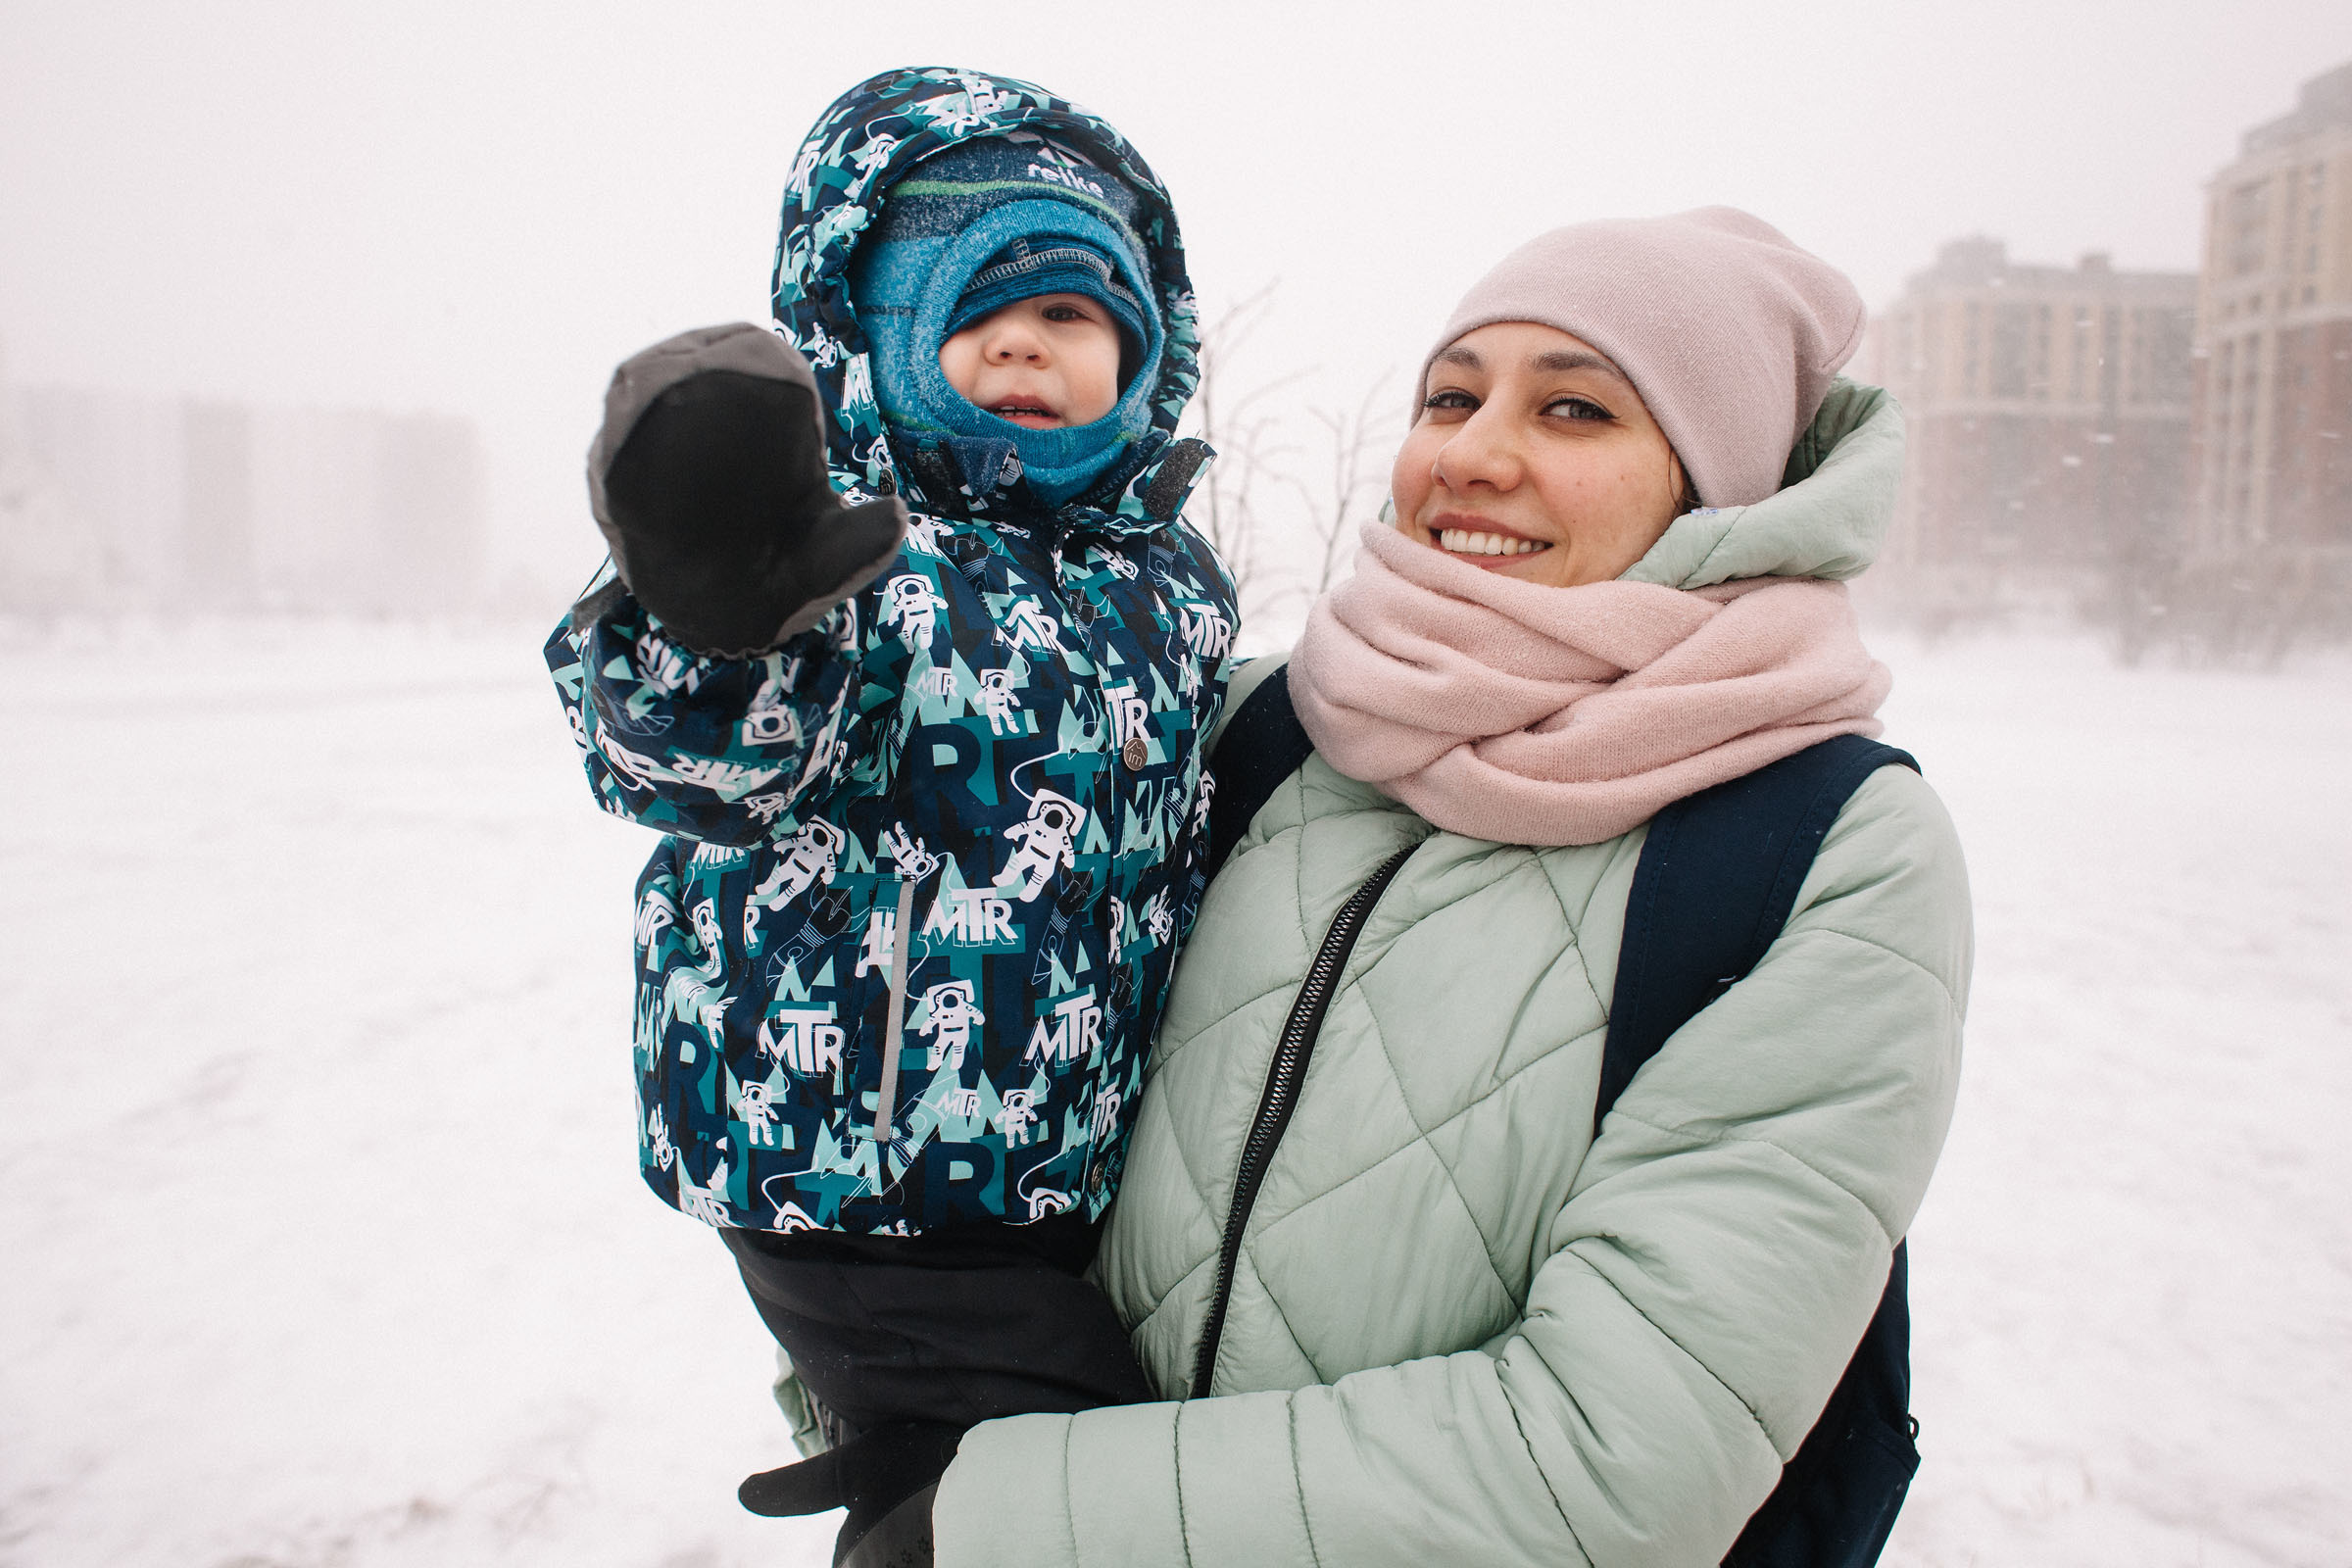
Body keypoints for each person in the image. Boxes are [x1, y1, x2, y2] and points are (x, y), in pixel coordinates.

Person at [919, 209, 1973, 1566]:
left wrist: (996, 1515)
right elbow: (951, 1053)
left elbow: (1611, 1462)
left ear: (1722, 484)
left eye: (1578, 409)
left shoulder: (1820, 848)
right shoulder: (1262, 730)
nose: (1474, 454)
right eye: (1452, 395)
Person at [541, 67, 1236, 1566]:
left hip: (1056, 1165)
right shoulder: (863, 568)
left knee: (1029, 1488)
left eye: (1070, 315)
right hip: (853, 1173)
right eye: (974, 314)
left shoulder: (1169, 582)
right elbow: (688, 751)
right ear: (877, 342)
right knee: (1048, 1505)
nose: (1024, 349)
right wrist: (712, 611)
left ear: (1143, 347)